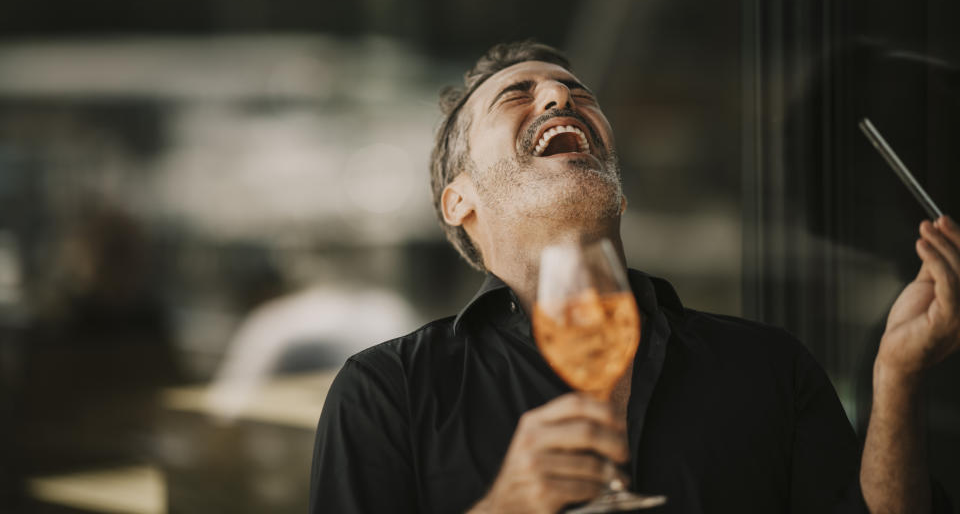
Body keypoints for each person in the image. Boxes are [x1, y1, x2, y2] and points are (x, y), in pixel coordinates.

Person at [309, 41, 959, 513]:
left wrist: (897, 374)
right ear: (459, 201)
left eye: (576, 93)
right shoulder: (386, 392)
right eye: (517, 95)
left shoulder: (768, 366)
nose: (561, 95)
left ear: (616, 195)